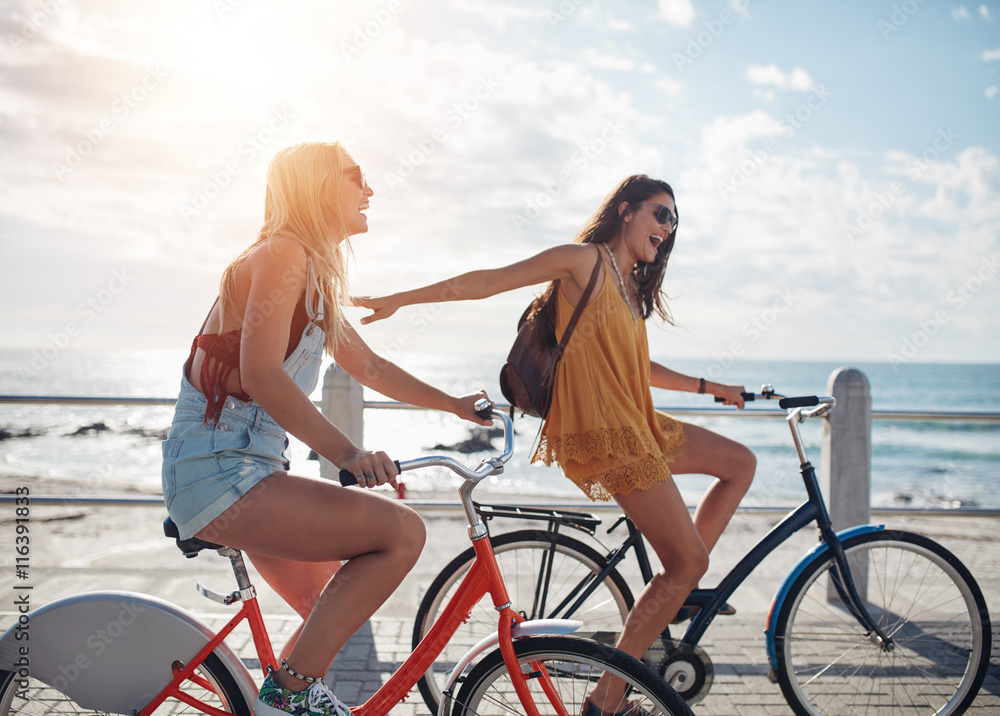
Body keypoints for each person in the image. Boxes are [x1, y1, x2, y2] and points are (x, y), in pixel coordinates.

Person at [357, 174, 757, 715]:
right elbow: (490, 281)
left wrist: (712, 387)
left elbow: (640, 367)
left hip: (639, 422)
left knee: (739, 463)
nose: (668, 227)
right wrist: (401, 300)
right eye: (661, 213)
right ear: (626, 210)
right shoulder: (582, 261)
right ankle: (607, 699)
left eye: (674, 220)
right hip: (607, 434)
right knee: (686, 562)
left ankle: (678, 588)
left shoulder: (631, 286)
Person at [160, 141, 489, 716]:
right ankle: (289, 695)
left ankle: (282, 700)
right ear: (317, 186)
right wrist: (348, 453)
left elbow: (370, 367)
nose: (370, 189)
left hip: (250, 469)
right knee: (402, 533)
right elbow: (262, 374)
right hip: (219, 472)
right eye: (357, 176)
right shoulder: (282, 253)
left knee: (327, 614)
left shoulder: (311, 274)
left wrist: (455, 405)